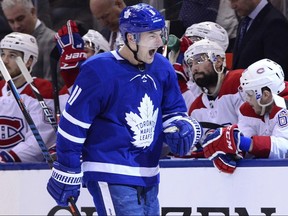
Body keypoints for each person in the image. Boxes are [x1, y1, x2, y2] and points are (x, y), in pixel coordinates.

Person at [46, 4, 202, 216]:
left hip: (148, 171)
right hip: (109, 171)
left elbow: (173, 111)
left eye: (160, 34)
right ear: (131, 38)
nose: (159, 42)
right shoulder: (98, 70)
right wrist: (67, 167)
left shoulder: (162, 67)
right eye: (151, 35)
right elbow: (73, 124)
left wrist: (182, 126)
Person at [202, 58, 288, 174]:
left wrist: (242, 143)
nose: (247, 100)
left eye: (249, 94)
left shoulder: (284, 107)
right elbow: (243, 138)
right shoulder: (249, 109)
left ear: (266, 95)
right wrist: (229, 150)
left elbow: (284, 148)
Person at [183, 39, 245, 157]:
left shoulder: (239, 82)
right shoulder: (196, 108)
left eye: (199, 60)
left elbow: (251, 130)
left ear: (218, 61)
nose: (194, 68)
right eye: (191, 64)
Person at [0, 32, 56, 162]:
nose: (4, 61)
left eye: (12, 56)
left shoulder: (41, 90)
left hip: (28, 173)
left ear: (29, 61)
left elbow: (40, 139)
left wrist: (7, 159)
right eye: (2, 54)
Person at [168, 21, 230, 109]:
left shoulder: (207, 78)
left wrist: (179, 79)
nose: (186, 46)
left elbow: (190, 109)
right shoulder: (190, 74)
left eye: (195, 41)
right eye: (187, 39)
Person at [1, 0, 58, 84]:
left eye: (20, 19)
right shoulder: (7, 44)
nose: (16, 26)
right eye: (11, 21)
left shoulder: (51, 41)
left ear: (33, 12)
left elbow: (53, 87)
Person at [230, 0, 288, 80]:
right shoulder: (244, 21)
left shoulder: (275, 22)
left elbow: (276, 69)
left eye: (234, 0)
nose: (232, 6)